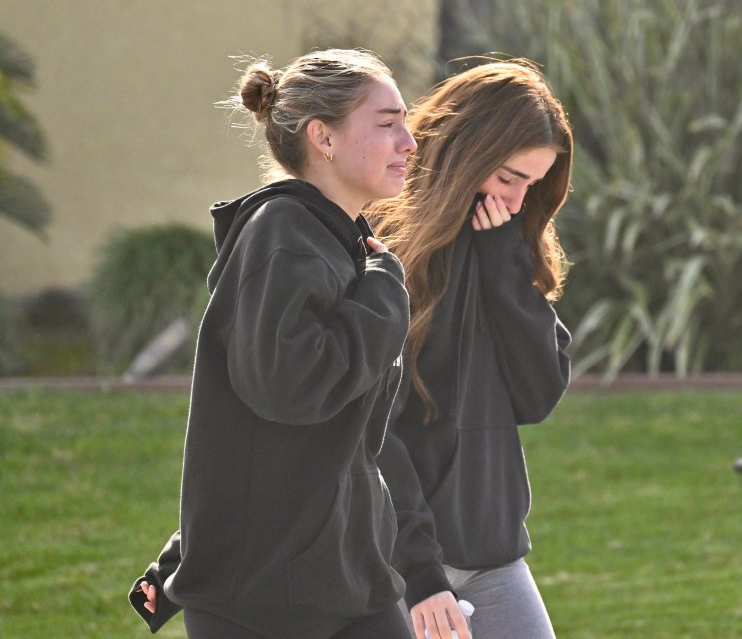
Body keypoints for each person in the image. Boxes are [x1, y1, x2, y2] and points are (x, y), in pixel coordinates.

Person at [127, 48, 417, 638]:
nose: (409, 142)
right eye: (387, 124)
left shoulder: (343, 244)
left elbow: (314, 440)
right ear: (323, 138)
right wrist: (386, 299)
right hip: (263, 602)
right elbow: (291, 386)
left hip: (352, 580)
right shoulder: (283, 234)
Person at [368, 59, 573, 639]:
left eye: (531, 185)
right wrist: (418, 572)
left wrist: (505, 261)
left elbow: (536, 396)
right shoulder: (381, 253)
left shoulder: (501, 247)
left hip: (491, 555)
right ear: (466, 152)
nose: (516, 199)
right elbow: (373, 429)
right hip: (394, 562)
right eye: (509, 178)